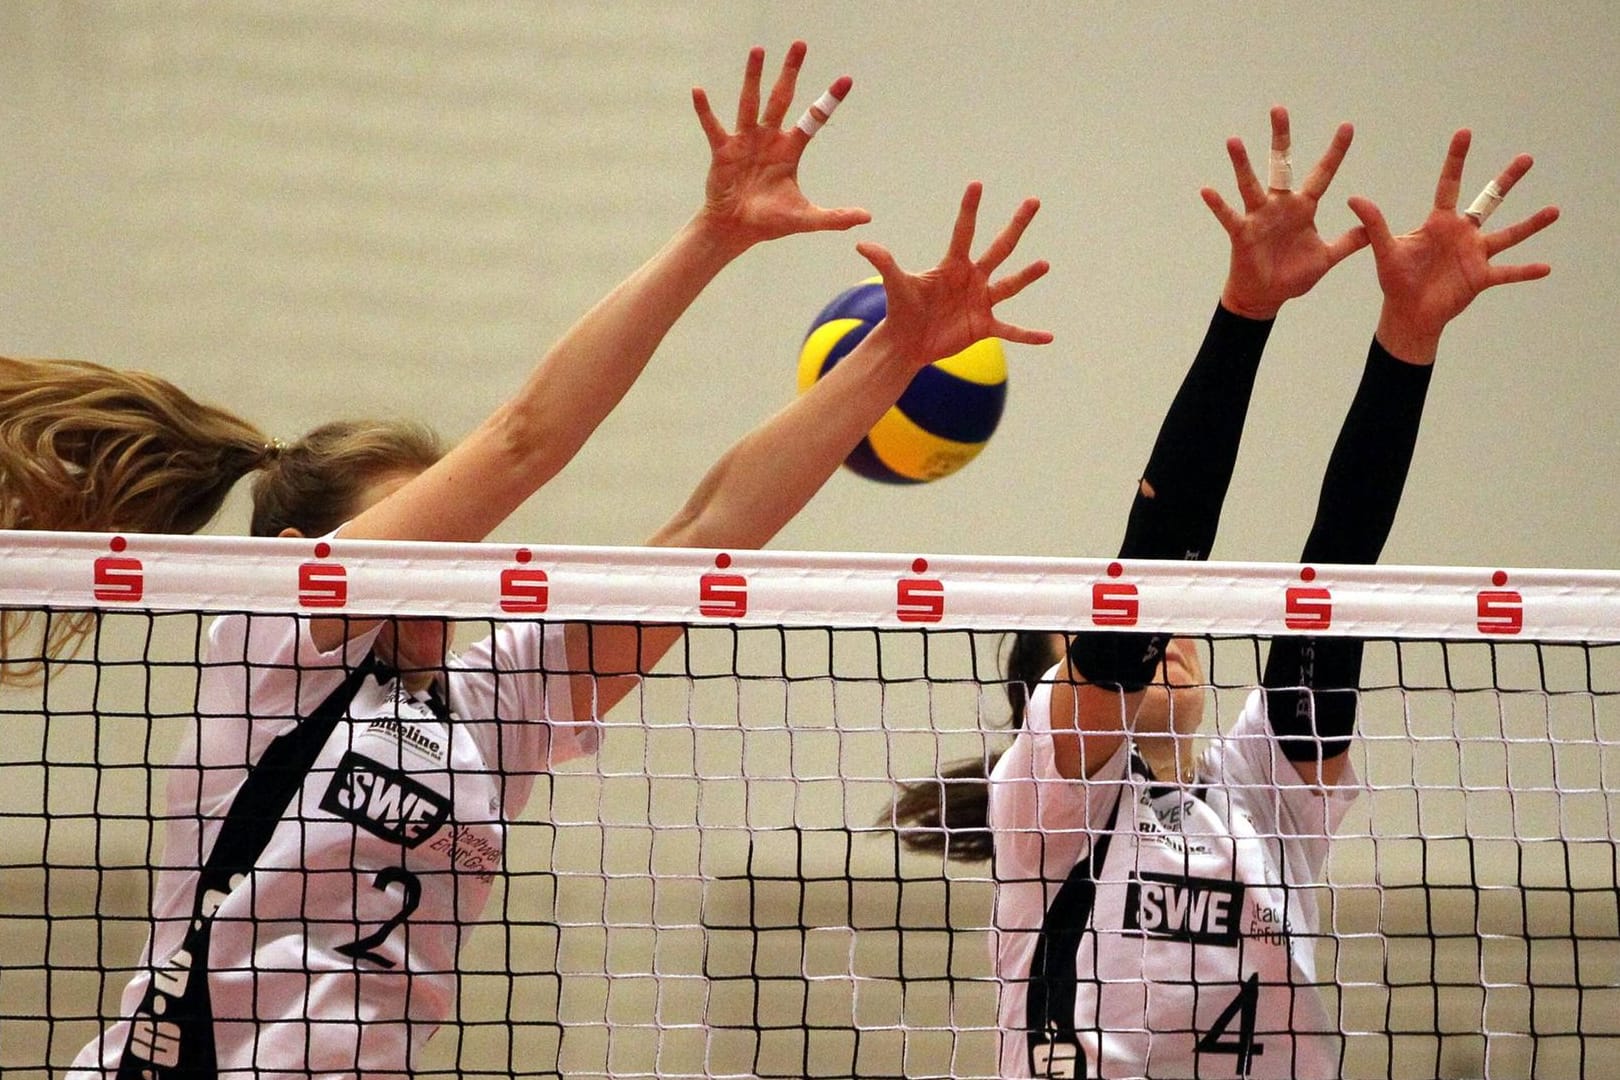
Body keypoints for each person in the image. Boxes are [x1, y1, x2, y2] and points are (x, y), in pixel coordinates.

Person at [0, 43, 1052, 1078]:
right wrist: (711, 237)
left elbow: (703, 535)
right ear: (300, 560)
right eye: (424, 546)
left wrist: (895, 357)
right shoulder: (275, 647)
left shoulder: (486, 716)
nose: (447, 582)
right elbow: (518, 443)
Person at [890, 110, 1557, 1078]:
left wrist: (1406, 341)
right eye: (1096, 650)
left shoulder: (1259, 799)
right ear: (1054, 697)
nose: (1165, 638)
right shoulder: (1052, 806)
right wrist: (1244, 315)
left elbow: (1336, 581)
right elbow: (1154, 565)